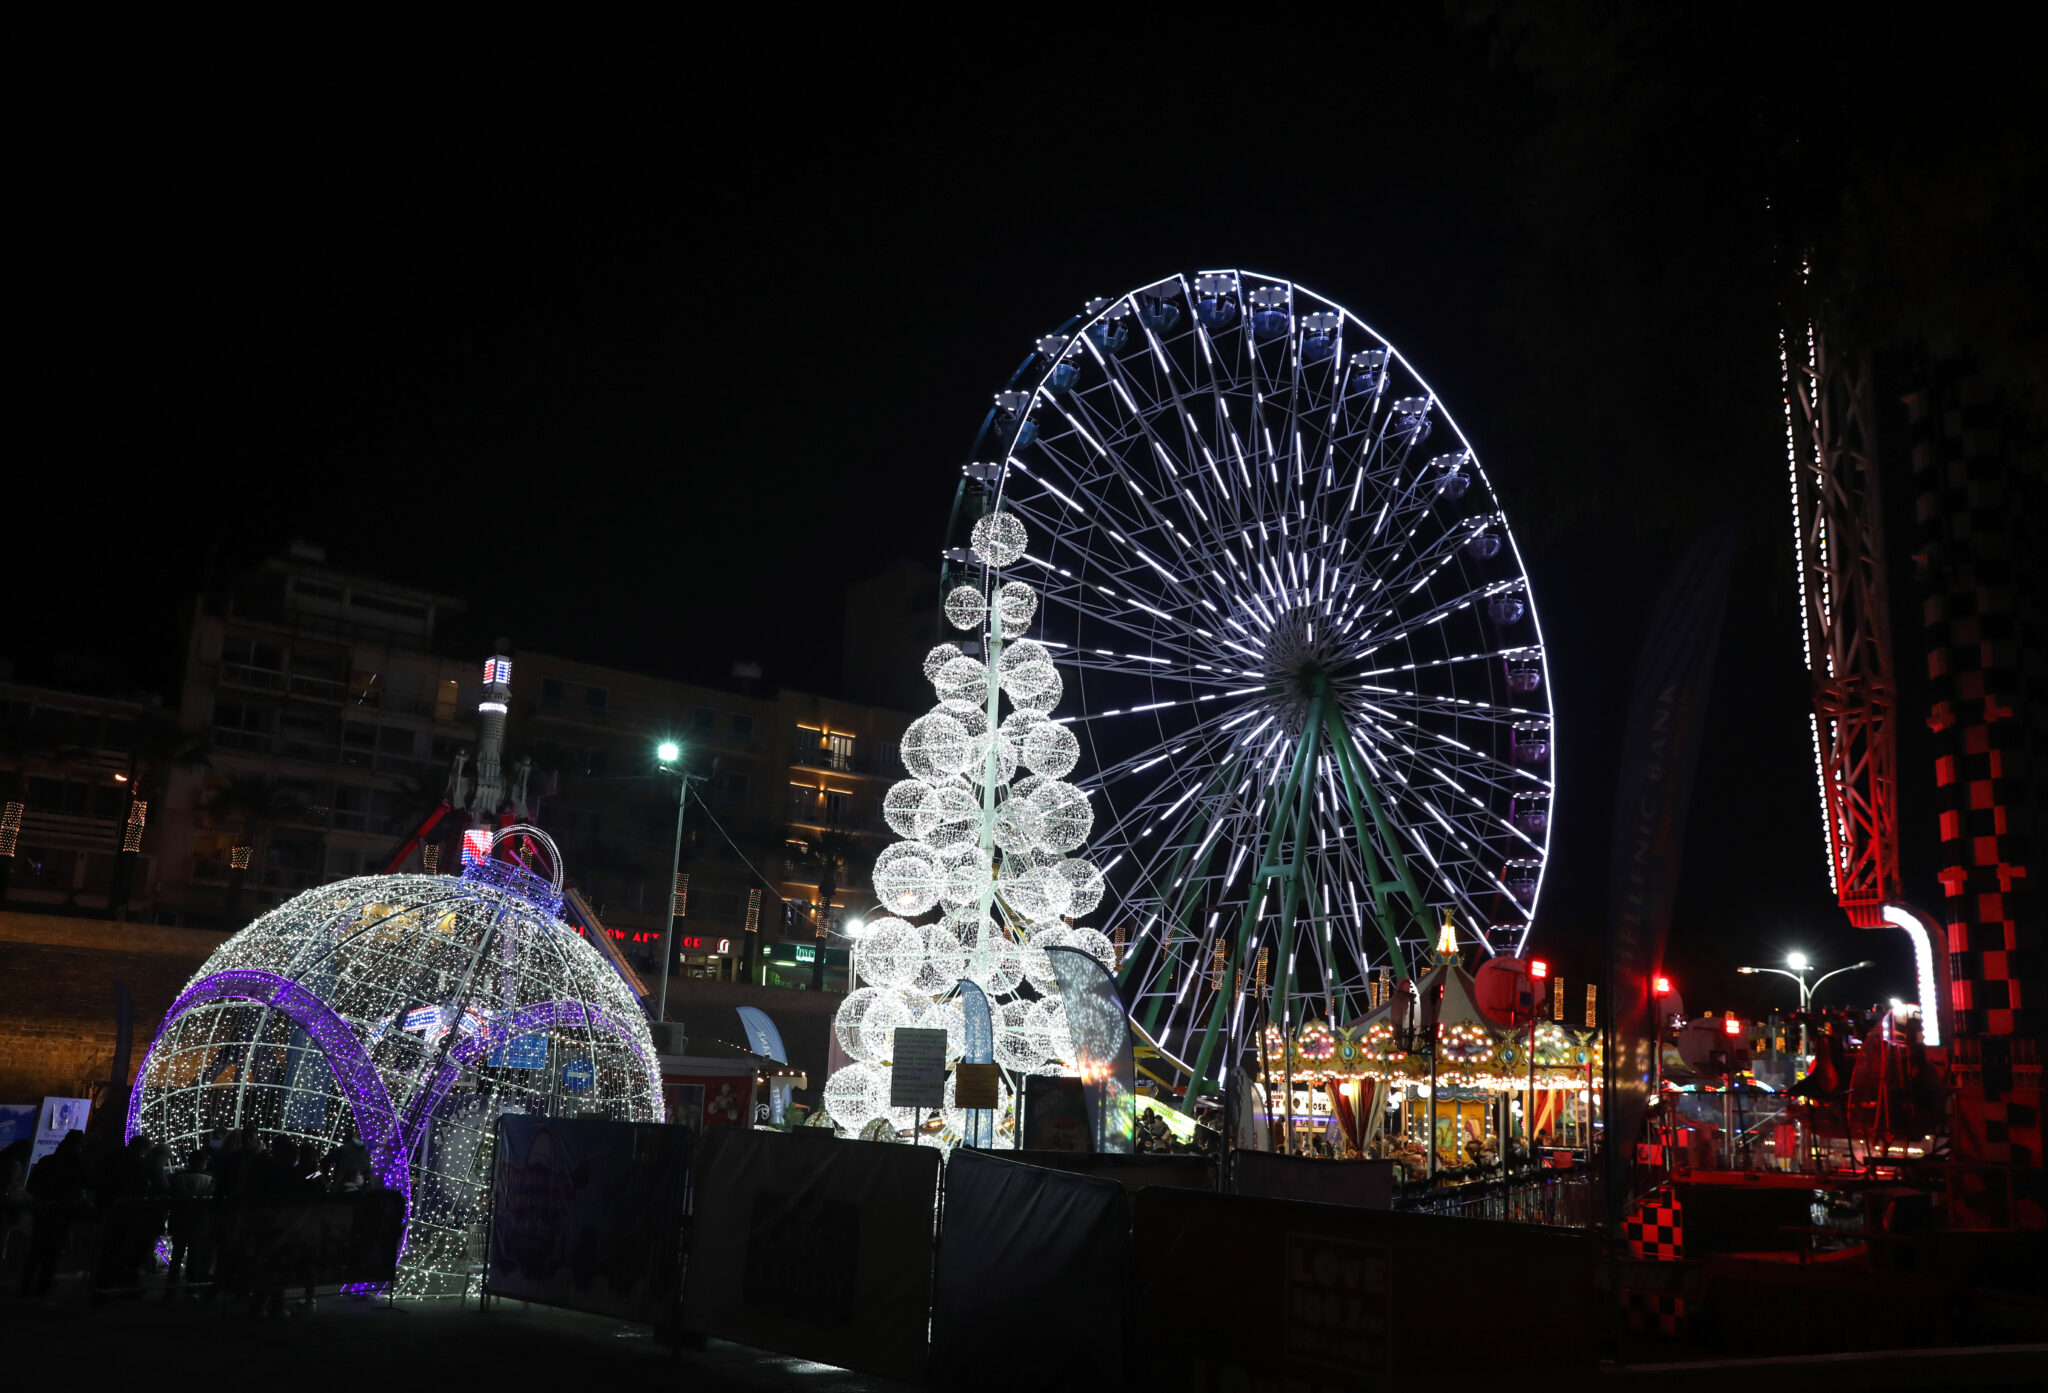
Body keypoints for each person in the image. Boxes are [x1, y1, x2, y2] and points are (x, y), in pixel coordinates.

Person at [20, 1131, 88, 1296]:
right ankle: (44, 1283)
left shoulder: (47, 1160)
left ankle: (27, 1284)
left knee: (37, 1249)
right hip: (63, 1211)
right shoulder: (76, 1163)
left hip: (44, 1209)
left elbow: (32, 1185)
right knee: (53, 1250)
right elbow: (80, 1185)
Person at [166, 1149, 214, 1296]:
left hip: (180, 1220)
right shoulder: (209, 1179)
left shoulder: (178, 1177)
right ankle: (191, 1289)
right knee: (195, 1256)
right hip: (199, 1222)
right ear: (203, 1162)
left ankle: (170, 1289)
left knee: (176, 1256)